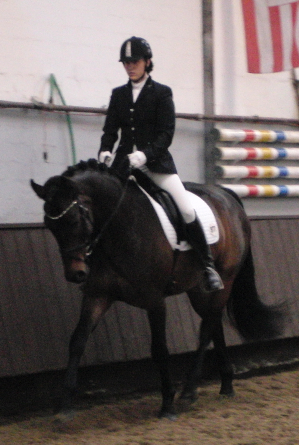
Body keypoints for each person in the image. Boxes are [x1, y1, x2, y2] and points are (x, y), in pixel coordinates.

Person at [98, 36, 223, 292]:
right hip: (123, 164)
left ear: (147, 62)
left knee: (186, 208)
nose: (130, 67)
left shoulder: (161, 93)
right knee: (102, 204)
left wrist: (144, 155)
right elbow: (110, 130)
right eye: (126, 63)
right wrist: (105, 150)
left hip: (155, 165)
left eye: (134, 62)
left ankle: (208, 265)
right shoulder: (118, 95)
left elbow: (166, 134)